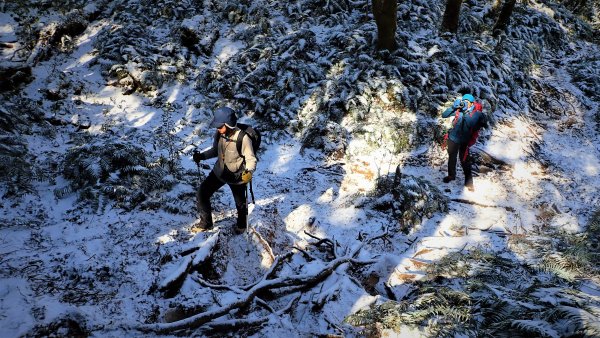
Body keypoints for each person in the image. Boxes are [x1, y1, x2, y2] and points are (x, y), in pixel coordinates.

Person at [193, 107, 257, 234]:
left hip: (237, 176)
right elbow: (215, 150)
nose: (218, 129)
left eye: (220, 126)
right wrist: (202, 156)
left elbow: (251, 159)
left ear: (229, 125)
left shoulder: (243, 138)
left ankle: (242, 225)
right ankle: (206, 223)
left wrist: (249, 172)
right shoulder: (219, 134)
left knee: (241, 205)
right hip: (220, 172)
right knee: (202, 193)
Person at [441, 93, 487, 191]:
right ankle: (451, 176)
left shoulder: (476, 113)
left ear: (471, 103)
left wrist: (465, 112)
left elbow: (470, 123)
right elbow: (444, 115)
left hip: (464, 141)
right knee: (452, 158)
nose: (465, 104)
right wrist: (453, 108)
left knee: (465, 161)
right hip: (453, 138)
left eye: (467, 102)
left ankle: (469, 183)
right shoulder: (459, 110)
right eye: (463, 101)